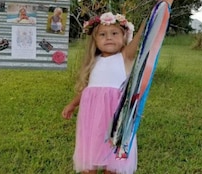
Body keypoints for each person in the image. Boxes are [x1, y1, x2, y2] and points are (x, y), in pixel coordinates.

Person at [62, 12, 146, 174]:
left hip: (115, 115)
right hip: (92, 116)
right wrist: (72, 104)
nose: (109, 38)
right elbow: (89, 89)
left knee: (113, 156)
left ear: (124, 36)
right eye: (102, 34)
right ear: (95, 40)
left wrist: (150, 18)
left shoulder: (125, 57)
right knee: (91, 150)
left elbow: (143, 36)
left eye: (114, 33)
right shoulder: (94, 61)